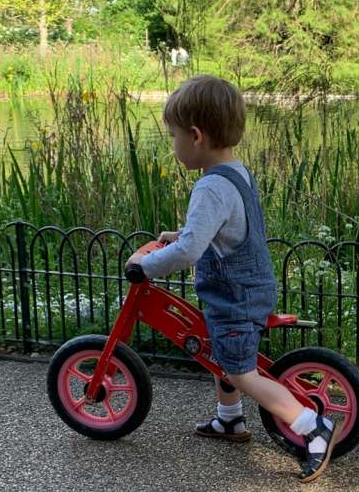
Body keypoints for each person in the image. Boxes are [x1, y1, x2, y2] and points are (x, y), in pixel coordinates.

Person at [126, 75, 341, 483]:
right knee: (217, 349)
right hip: (249, 285)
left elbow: (191, 252)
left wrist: (146, 266)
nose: (172, 146)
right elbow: (214, 232)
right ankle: (229, 420)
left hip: (236, 296)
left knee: (241, 370)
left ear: (196, 136)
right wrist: (180, 236)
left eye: (173, 137)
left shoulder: (209, 188)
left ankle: (311, 426)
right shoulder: (236, 173)